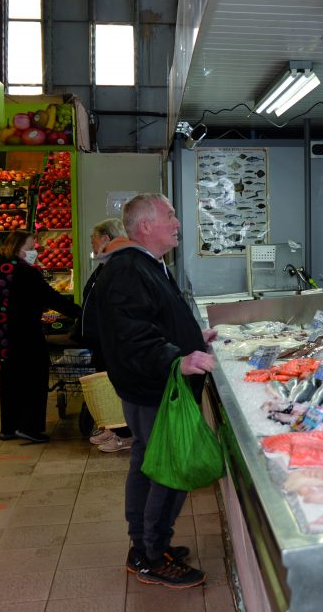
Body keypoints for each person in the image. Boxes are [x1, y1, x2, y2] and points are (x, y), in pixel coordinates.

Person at [94, 193, 217, 588]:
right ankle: (151, 555)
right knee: (168, 467)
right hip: (154, 387)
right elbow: (131, 334)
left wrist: (191, 336)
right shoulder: (130, 268)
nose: (178, 223)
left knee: (149, 463)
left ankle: (146, 545)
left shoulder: (147, 264)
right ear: (145, 226)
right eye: (171, 216)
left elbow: (152, 321)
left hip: (151, 386)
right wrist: (175, 360)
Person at [0, 230, 80, 443]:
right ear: (19, 249)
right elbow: (50, 297)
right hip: (24, 334)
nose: (35, 251)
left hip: (0, 336)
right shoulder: (25, 272)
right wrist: (81, 312)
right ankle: (29, 428)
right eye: (31, 247)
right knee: (34, 379)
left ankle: (9, 427)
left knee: (9, 381)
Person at [71, 218, 136, 451]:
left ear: (106, 238)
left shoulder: (118, 265)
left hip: (111, 338)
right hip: (100, 337)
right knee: (106, 382)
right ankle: (112, 427)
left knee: (115, 384)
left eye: (93, 238)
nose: (91, 242)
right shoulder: (105, 264)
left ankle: (124, 434)